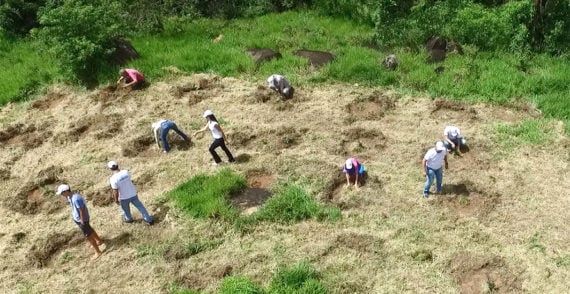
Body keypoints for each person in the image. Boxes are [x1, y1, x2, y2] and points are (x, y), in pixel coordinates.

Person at [56, 184, 103, 260]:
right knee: (90, 229)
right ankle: (99, 241)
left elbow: (81, 210)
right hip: (78, 219)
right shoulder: (70, 197)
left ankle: (97, 252)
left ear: (66, 191)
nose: (62, 195)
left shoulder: (76, 198)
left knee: (88, 236)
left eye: (62, 193)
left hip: (82, 220)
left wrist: (82, 221)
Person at [107, 161, 154, 225]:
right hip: (133, 194)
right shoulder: (125, 172)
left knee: (126, 210)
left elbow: (115, 191)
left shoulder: (113, 179)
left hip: (124, 198)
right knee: (140, 207)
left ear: (110, 169)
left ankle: (129, 219)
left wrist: (116, 200)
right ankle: (148, 219)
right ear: (117, 165)